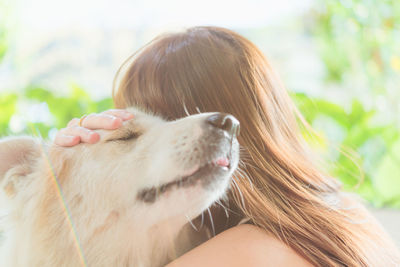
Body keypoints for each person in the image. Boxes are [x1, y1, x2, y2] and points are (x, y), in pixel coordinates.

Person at [55, 26, 400, 266]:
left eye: (136, 134)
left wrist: (64, 179)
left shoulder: (241, 253)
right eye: (131, 135)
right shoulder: (347, 217)